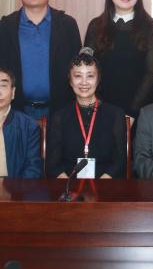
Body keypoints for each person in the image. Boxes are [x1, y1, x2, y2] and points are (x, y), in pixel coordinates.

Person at [0, 0, 82, 120]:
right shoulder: (5, 27)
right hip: (16, 113)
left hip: (61, 113)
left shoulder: (67, 25)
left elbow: (78, 69)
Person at [84, 0, 153, 119]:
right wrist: (99, 106)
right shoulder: (95, 26)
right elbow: (87, 67)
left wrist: (132, 112)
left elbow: (151, 73)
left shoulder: (150, 27)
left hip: (140, 110)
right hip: (101, 109)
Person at [46, 49, 127, 178]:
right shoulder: (59, 117)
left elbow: (119, 162)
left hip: (105, 185)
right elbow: (53, 165)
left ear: (98, 79)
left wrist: (100, 186)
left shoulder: (115, 114)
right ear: (70, 80)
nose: (84, 82)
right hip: (68, 184)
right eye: (78, 76)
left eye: (90, 76)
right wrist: (69, 187)